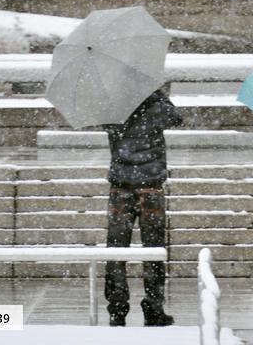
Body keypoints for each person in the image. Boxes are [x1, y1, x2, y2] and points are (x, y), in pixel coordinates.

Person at [103, 87, 183, 327]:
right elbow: (176, 118)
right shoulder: (154, 102)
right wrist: (157, 94)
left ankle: (117, 308)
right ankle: (154, 305)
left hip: (121, 186)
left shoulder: (112, 104)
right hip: (150, 186)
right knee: (154, 248)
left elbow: (109, 129)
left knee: (116, 250)